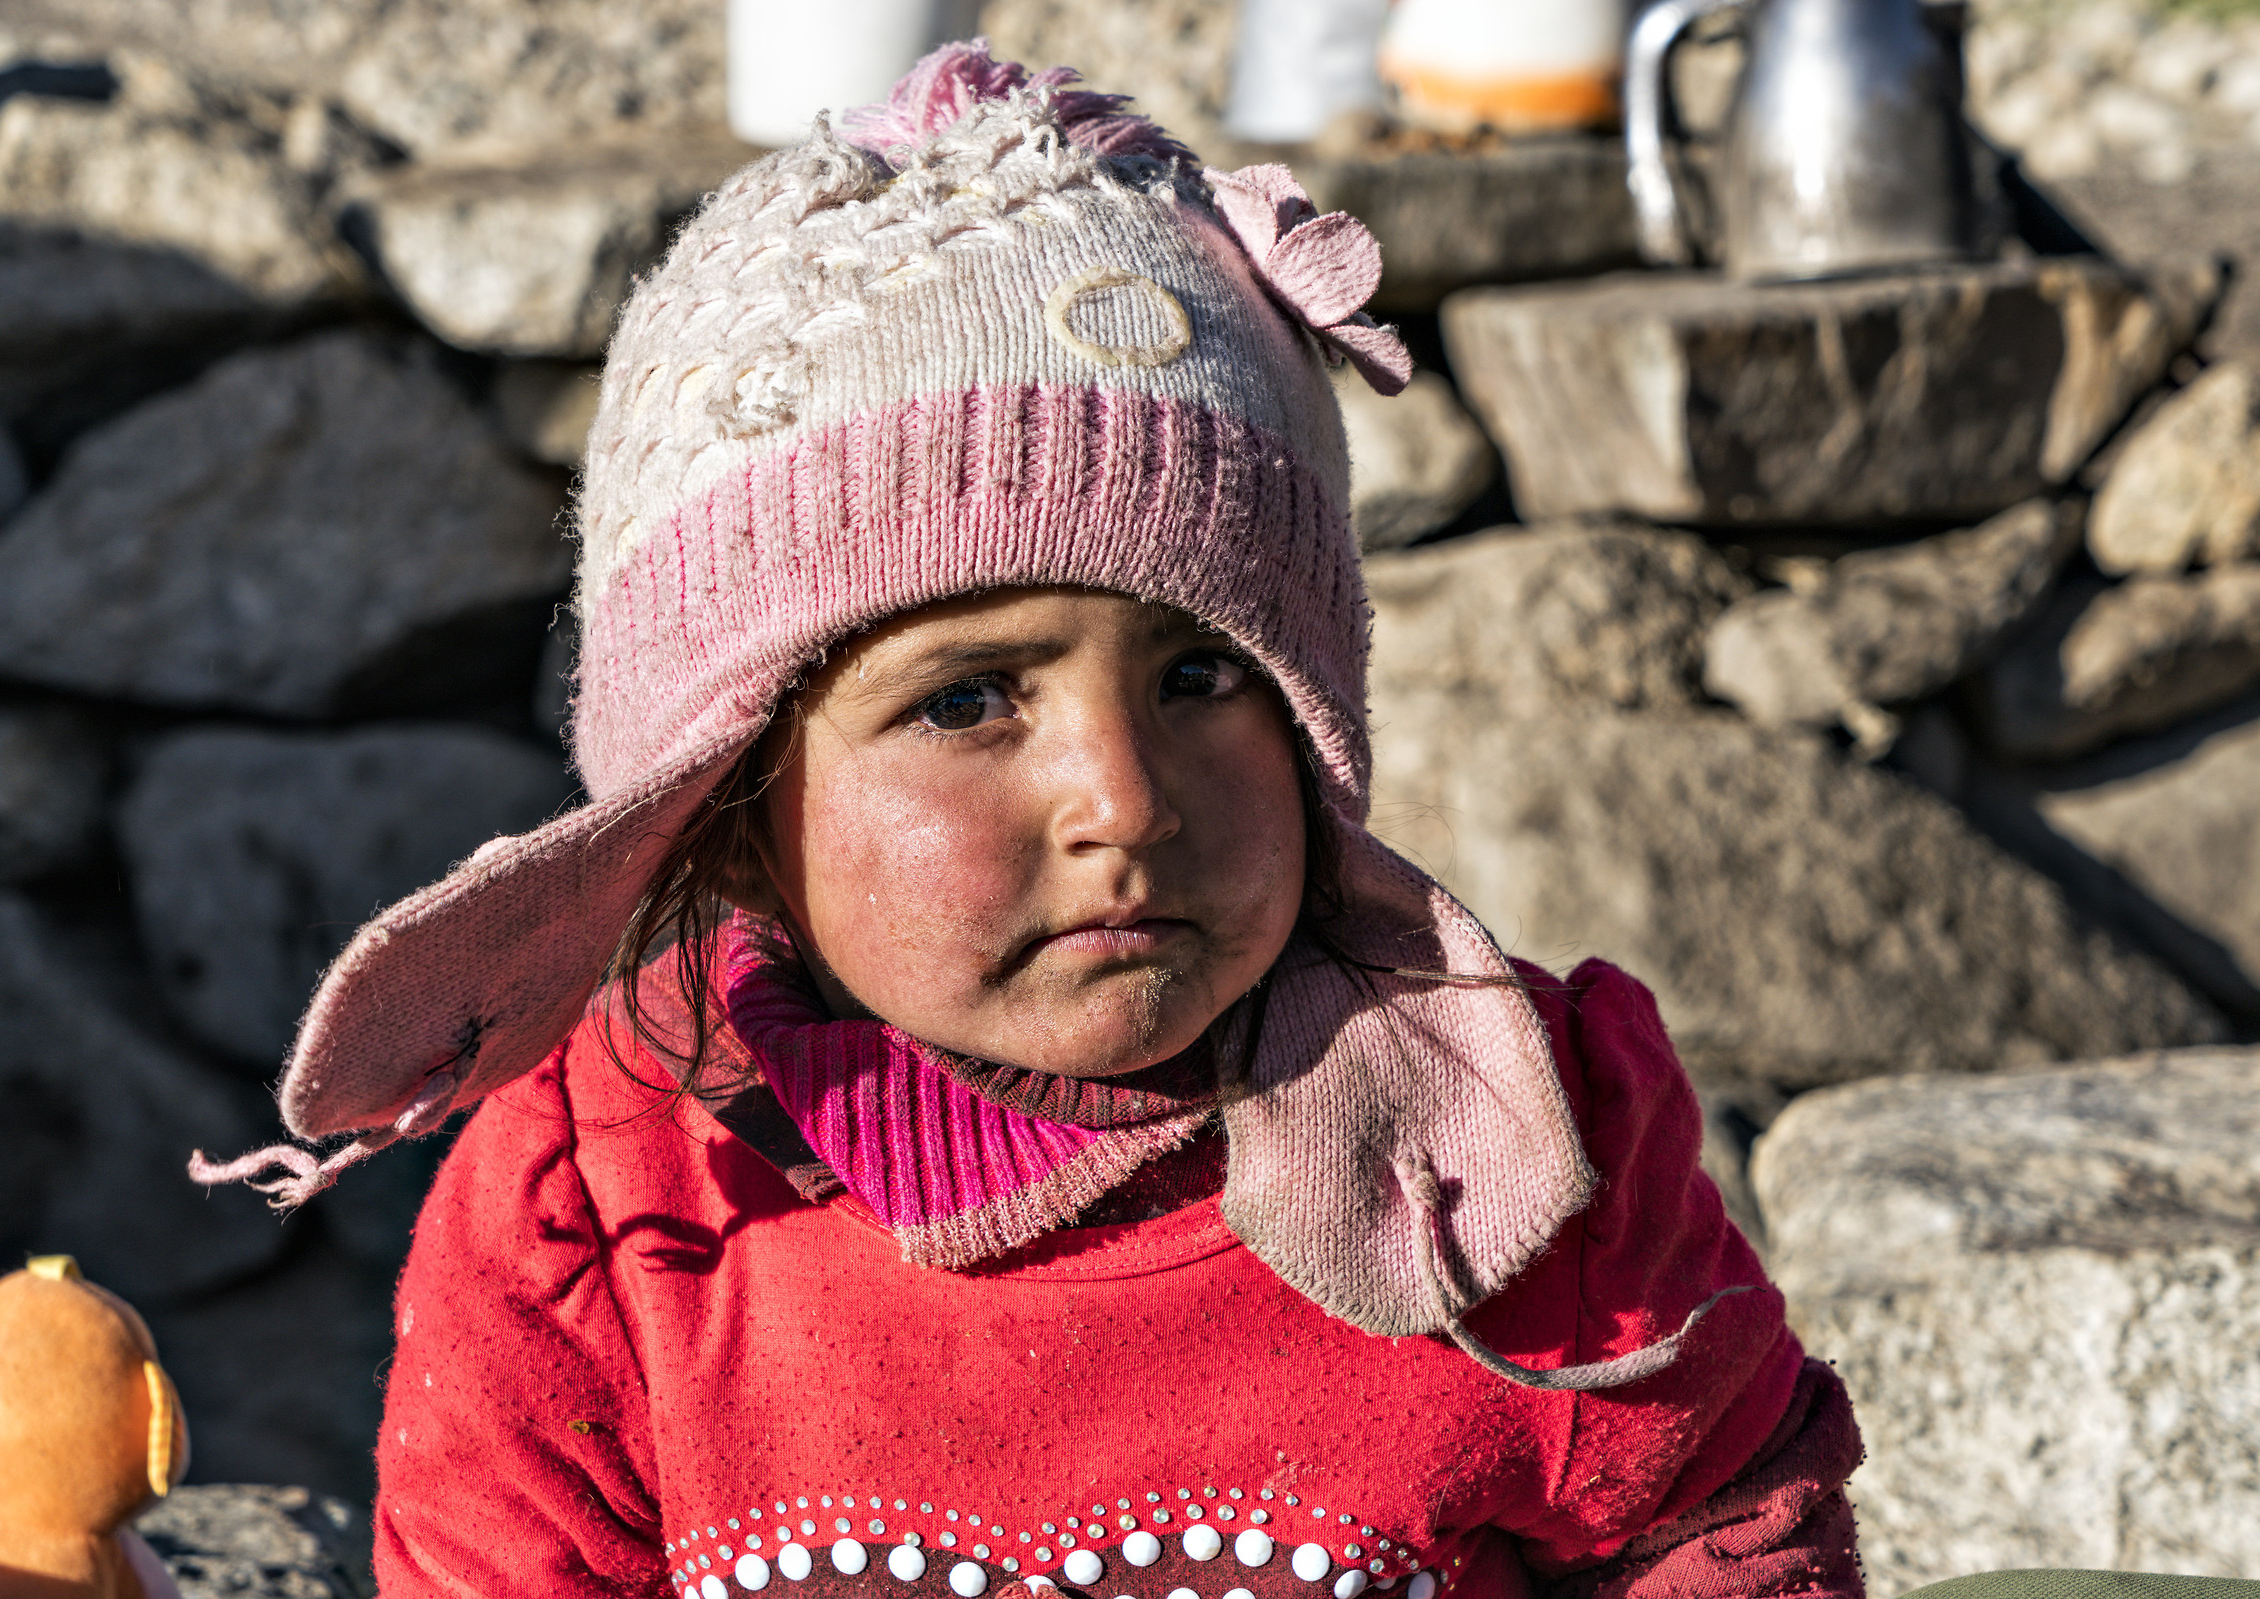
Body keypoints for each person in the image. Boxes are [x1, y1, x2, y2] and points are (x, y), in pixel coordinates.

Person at [196, 43, 1864, 1599]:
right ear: (729, 804)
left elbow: (1729, 1525)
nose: (1123, 801)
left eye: (1206, 676)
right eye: (968, 700)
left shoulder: (1502, 1158)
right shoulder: (607, 1210)